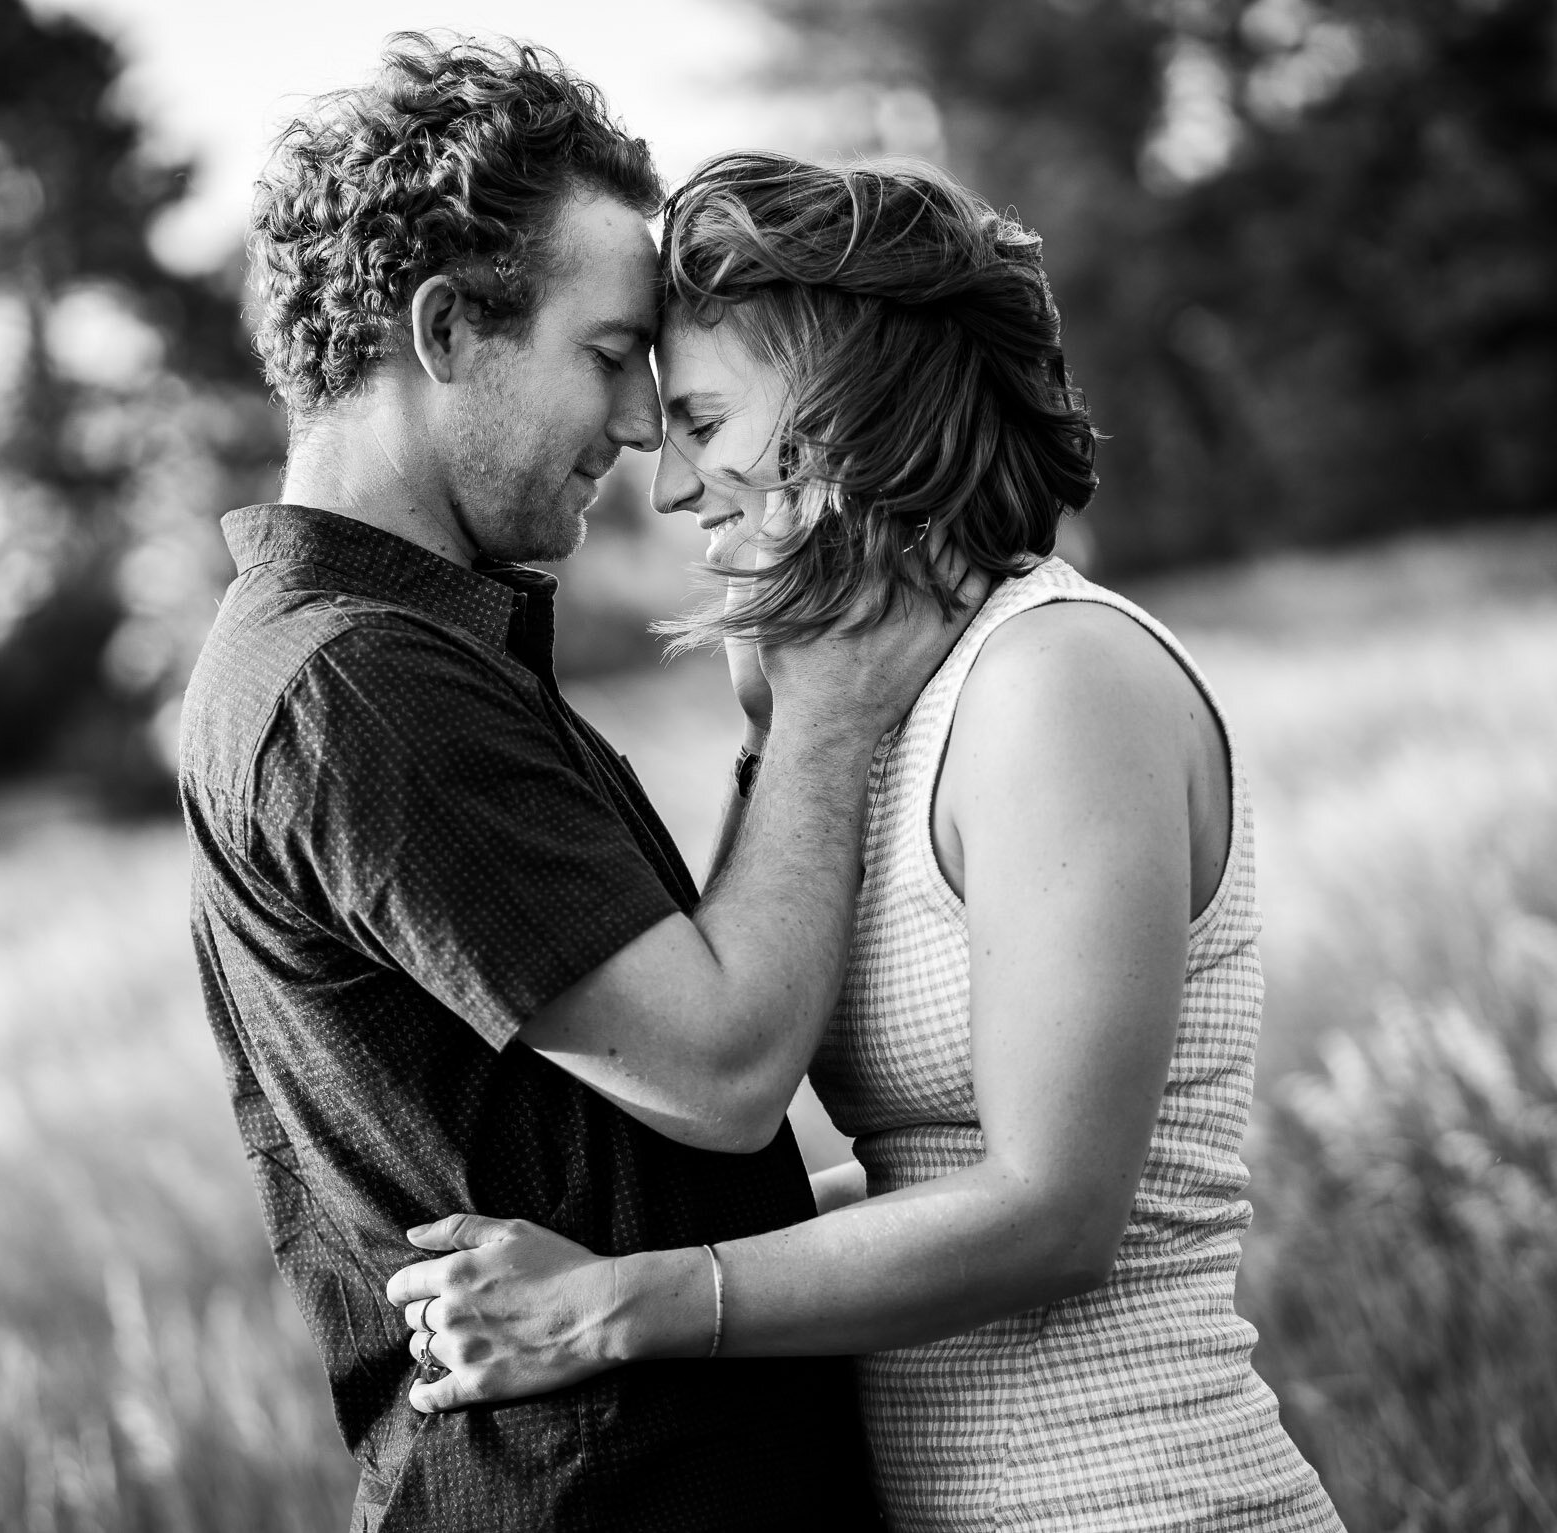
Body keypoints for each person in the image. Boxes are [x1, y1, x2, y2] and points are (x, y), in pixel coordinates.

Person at [384, 152, 1347, 1531]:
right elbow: (919, 1168)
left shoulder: (1059, 680)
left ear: (846, 413)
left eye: (704, 418)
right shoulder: (874, 706)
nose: (669, 489)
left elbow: (1052, 1209)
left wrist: (621, 1307)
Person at [179, 42, 966, 1533]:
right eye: (608, 356)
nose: (634, 427)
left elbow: (653, 1170)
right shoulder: (362, 686)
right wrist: (829, 703)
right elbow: (723, 1071)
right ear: (445, 329)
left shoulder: (380, 655)